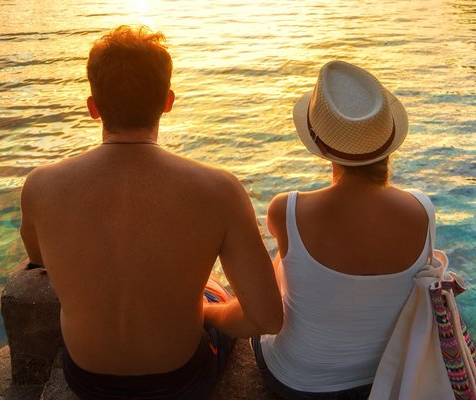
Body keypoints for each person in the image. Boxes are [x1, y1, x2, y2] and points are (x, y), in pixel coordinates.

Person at [18, 26, 283, 399]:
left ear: (93, 107)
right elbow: (266, 318)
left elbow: (38, 259)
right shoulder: (219, 189)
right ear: (167, 101)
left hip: (88, 382)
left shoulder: (40, 186)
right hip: (181, 380)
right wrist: (206, 311)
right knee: (212, 289)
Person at [253, 61, 436, 399]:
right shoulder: (422, 210)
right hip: (379, 380)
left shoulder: (288, 209)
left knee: (283, 263)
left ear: (320, 147)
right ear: (390, 137)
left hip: (295, 383)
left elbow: (272, 301)